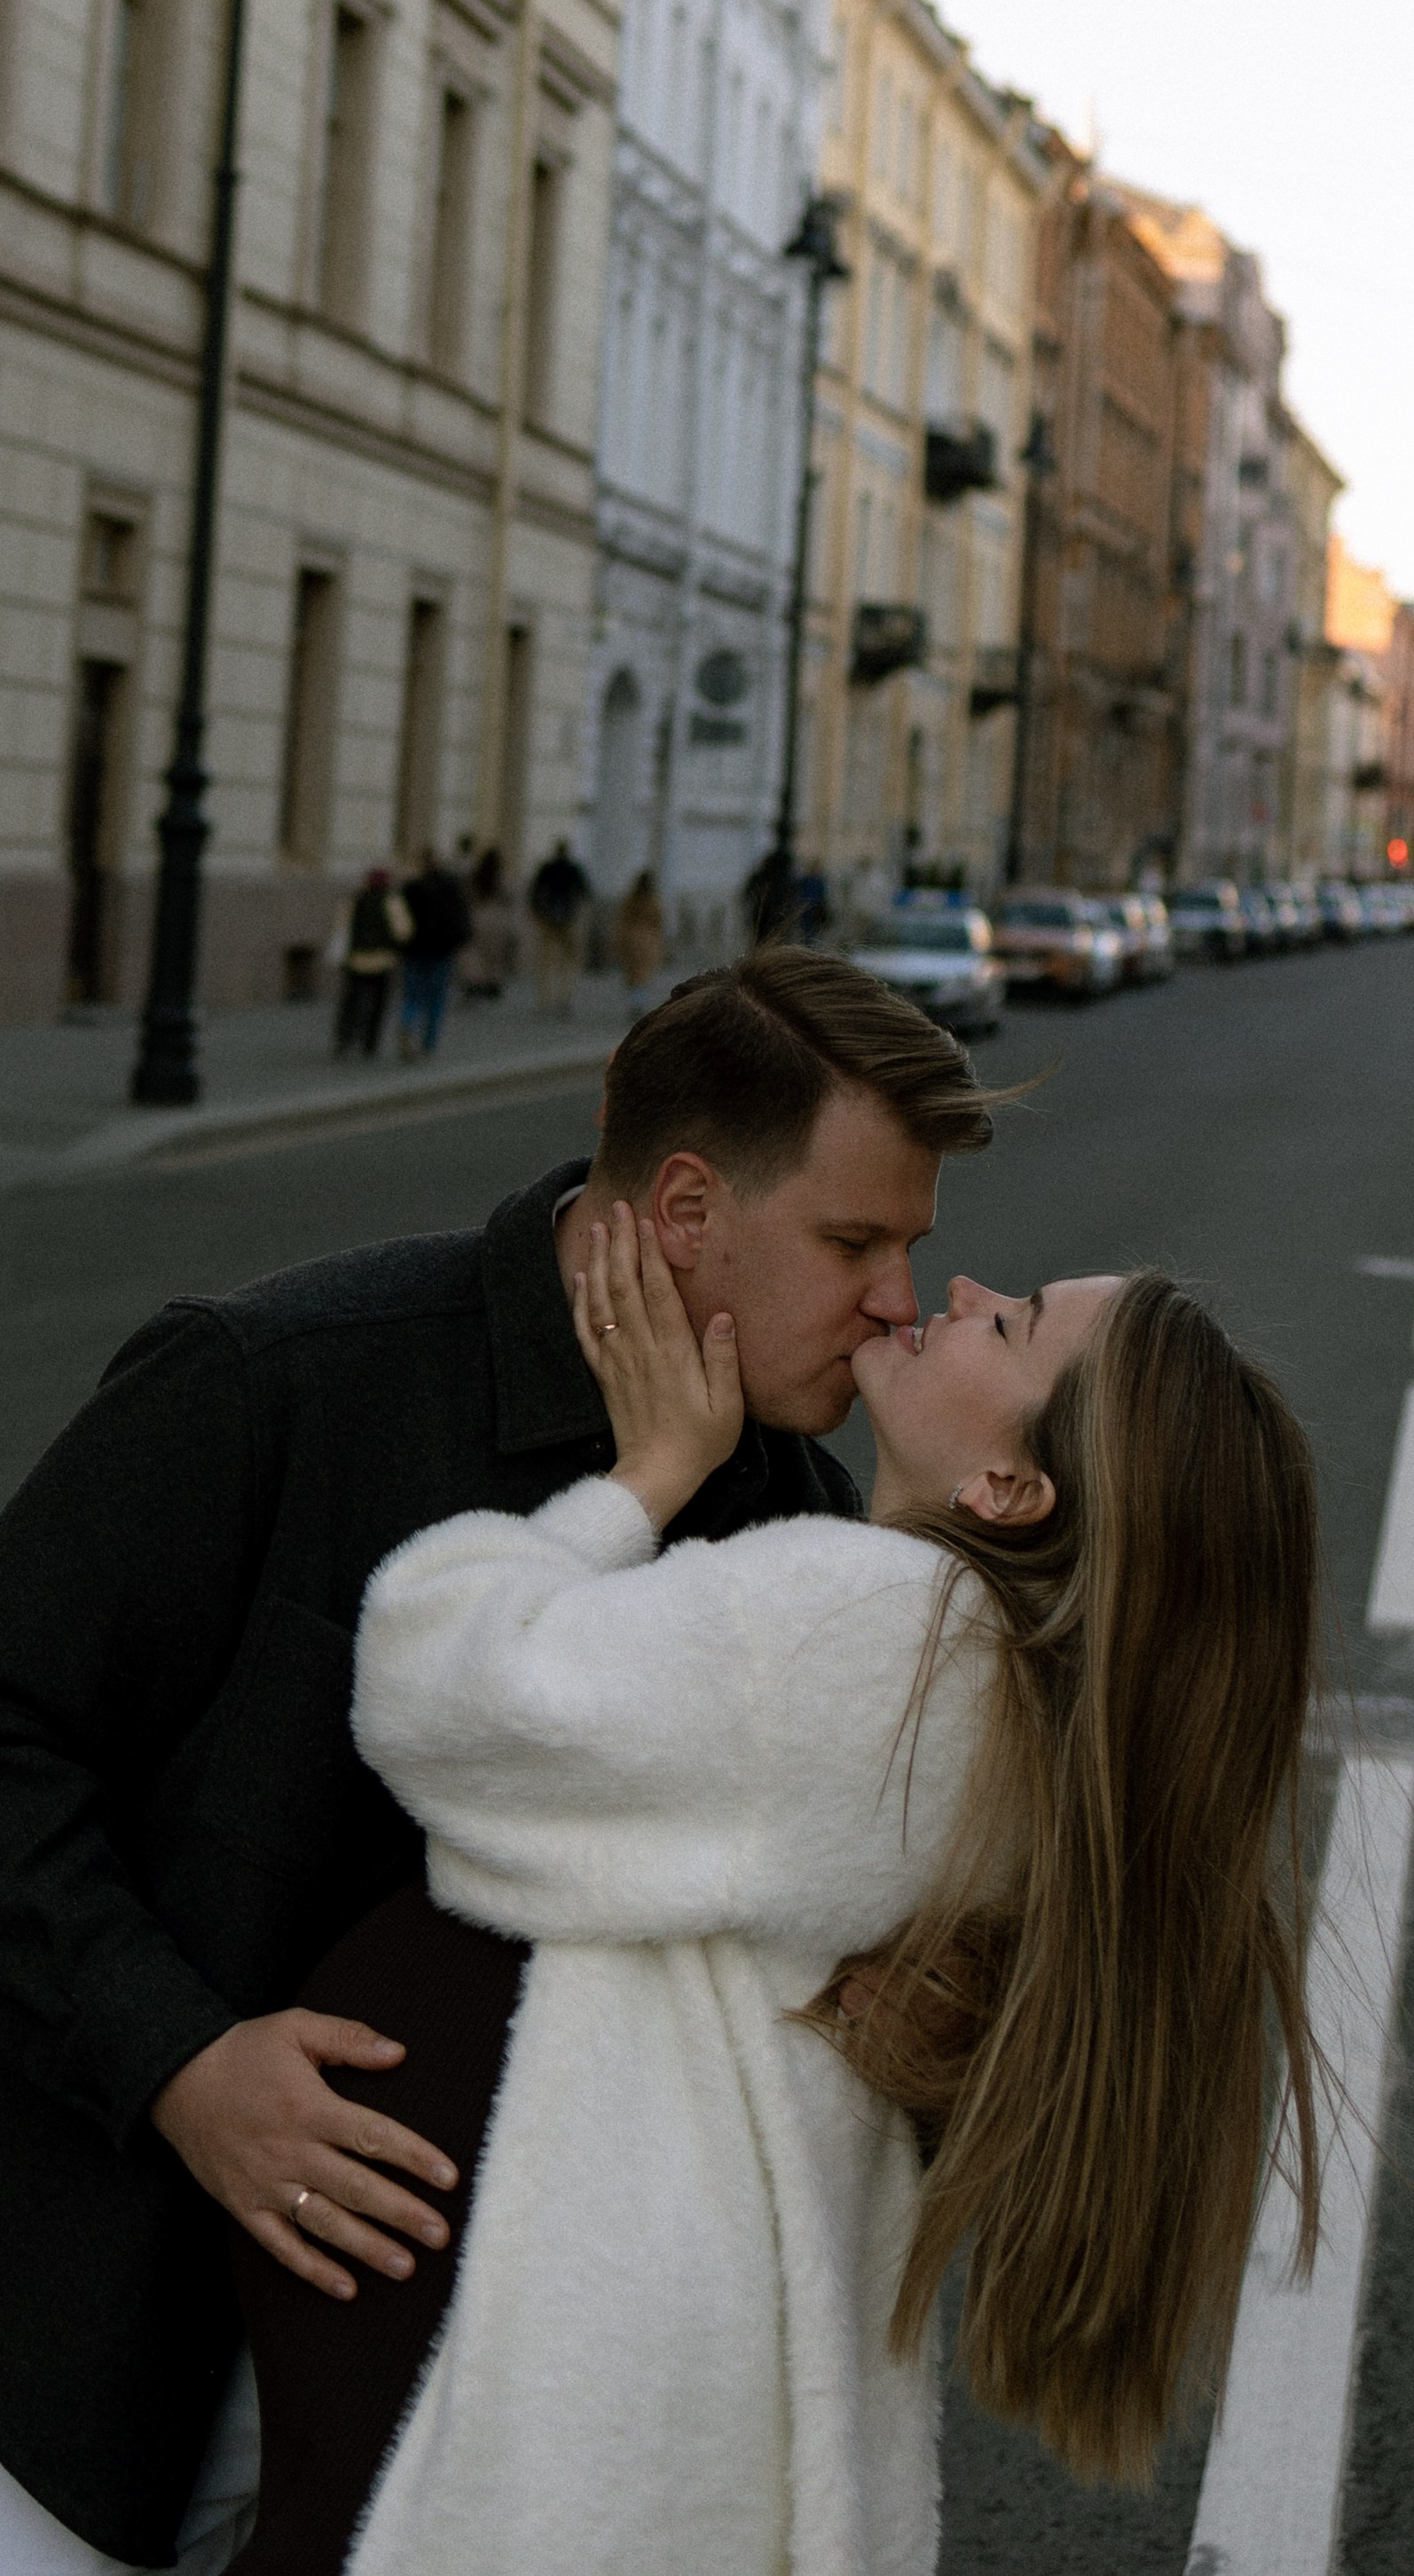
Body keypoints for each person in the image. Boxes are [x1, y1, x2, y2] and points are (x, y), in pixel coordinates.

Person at [0, 954, 997, 2571]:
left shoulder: (803, 1524)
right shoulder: (279, 1383)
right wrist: (180, 2060)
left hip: (507, 2450)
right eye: (853, 1239)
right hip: (108, 2370)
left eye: (912, 1247)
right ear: (684, 1206)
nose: (896, 1298)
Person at [228, 1219, 1325, 2572]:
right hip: (683, 2326)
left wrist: (643, 1477)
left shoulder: (858, 1626)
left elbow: (443, 1686)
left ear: (1006, 1483)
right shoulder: (1025, 1712)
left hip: (571, 2329)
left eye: (1012, 1322)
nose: (963, 1289)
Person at [396, 851, 473, 1063]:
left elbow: (400, 920)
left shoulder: (411, 888)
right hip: (441, 951)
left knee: (412, 995)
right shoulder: (450, 888)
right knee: (437, 999)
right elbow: (461, 918)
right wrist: (460, 941)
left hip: (414, 950)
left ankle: (407, 1023)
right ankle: (428, 1044)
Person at [328, 871, 411, 1060]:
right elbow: (403, 931)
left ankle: (344, 1038)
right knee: (379, 1003)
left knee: (352, 1000)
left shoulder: (354, 901)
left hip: (357, 960)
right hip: (383, 960)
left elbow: (341, 928)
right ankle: (370, 1042)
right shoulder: (392, 902)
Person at [527, 839, 592, 1017]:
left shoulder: (547, 868)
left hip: (549, 918)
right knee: (569, 961)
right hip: (569, 918)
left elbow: (536, 891)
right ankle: (564, 997)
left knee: (547, 961)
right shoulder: (573, 869)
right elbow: (585, 892)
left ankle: (546, 999)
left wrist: (538, 912)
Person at [460, 848, 515, 1001]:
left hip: (477, 916)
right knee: (494, 954)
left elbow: (468, 895)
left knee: (475, 953)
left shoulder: (476, 876)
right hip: (496, 918)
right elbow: (508, 897)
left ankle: (474, 981)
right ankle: (492, 982)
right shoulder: (501, 877)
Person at [612, 868, 666, 1016]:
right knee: (643, 974)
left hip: (631, 937)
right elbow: (658, 921)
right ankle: (638, 1001)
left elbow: (623, 919)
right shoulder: (653, 901)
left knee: (632, 974)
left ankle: (635, 1001)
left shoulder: (630, 899)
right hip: (647, 940)